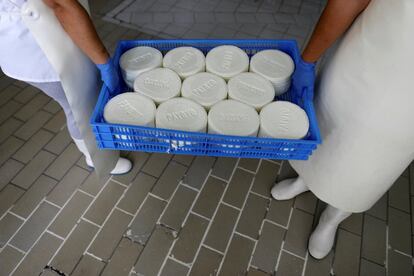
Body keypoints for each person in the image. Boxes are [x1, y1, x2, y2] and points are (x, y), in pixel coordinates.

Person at [272, 0, 414, 259]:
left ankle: (331, 218)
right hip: (363, 60)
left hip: (408, 114)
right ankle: (306, 179)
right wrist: (307, 61)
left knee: (372, 166)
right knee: (325, 128)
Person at [0, 0, 132, 174]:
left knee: (82, 100)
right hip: (37, 46)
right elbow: (64, 6)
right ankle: (97, 159)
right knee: (78, 106)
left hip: (21, 36)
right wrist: (103, 61)